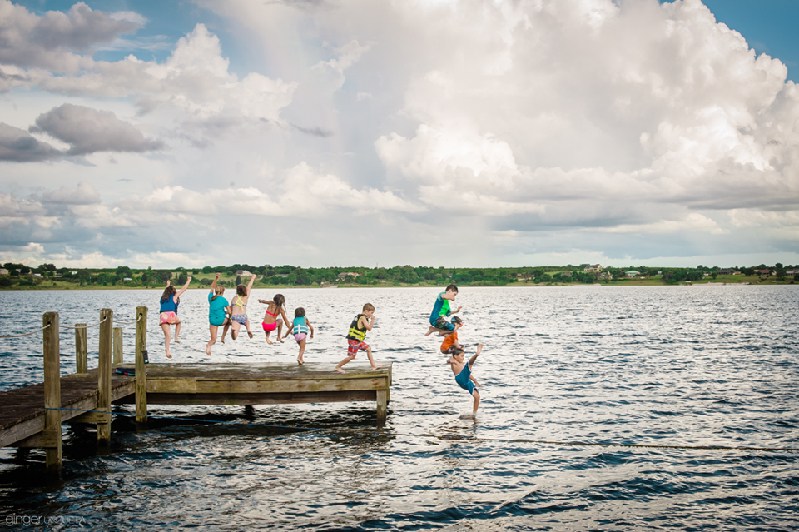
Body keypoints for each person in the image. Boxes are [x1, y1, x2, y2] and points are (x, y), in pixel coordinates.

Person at [335, 303, 380, 374]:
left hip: (358, 340)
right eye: (371, 313)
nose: (371, 315)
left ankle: (373, 366)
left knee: (368, 348)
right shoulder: (363, 318)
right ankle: (337, 367)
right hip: (354, 341)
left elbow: (351, 325)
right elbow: (369, 328)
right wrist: (372, 320)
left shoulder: (357, 317)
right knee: (352, 356)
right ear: (366, 311)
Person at [159, 275, 191, 359]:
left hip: (163, 316)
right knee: (179, 322)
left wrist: (167, 284)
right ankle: (176, 337)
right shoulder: (174, 296)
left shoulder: (163, 297)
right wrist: (188, 281)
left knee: (167, 335)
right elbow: (183, 289)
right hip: (171, 316)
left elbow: (166, 290)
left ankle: (167, 350)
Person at [446, 344, 484, 415]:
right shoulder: (454, 361)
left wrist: (475, 381)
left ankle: (474, 414)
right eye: (462, 356)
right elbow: (449, 359)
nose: (463, 358)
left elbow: (468, 374)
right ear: (456, 356)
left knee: (477, 396)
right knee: (469, 365)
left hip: (466, 381)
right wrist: (452, 361)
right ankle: (476, 355)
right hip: (460, 378)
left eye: (463, 356)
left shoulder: (461, 363)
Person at [226, 273, 257, 341]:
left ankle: (233, 331)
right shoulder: (245, 298)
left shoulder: (234, 298)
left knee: (234, 337)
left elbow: (231, 309)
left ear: (237, 291)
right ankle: (248, 329)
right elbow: (249, 288)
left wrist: (228, 315)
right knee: (247, 322)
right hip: (243, 316)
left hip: (235, 317)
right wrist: (252, 279)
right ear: (244, 290)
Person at [206, 273, 230, 356]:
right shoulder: (223, 299)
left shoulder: (211, 298)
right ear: (223, 292)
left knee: (213, 340)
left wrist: (216, 278)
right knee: (229, 321)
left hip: (212, 321)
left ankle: (208, 346)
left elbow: (212, 287)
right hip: (221, 320)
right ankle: (223, 337)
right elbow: (230, 312)